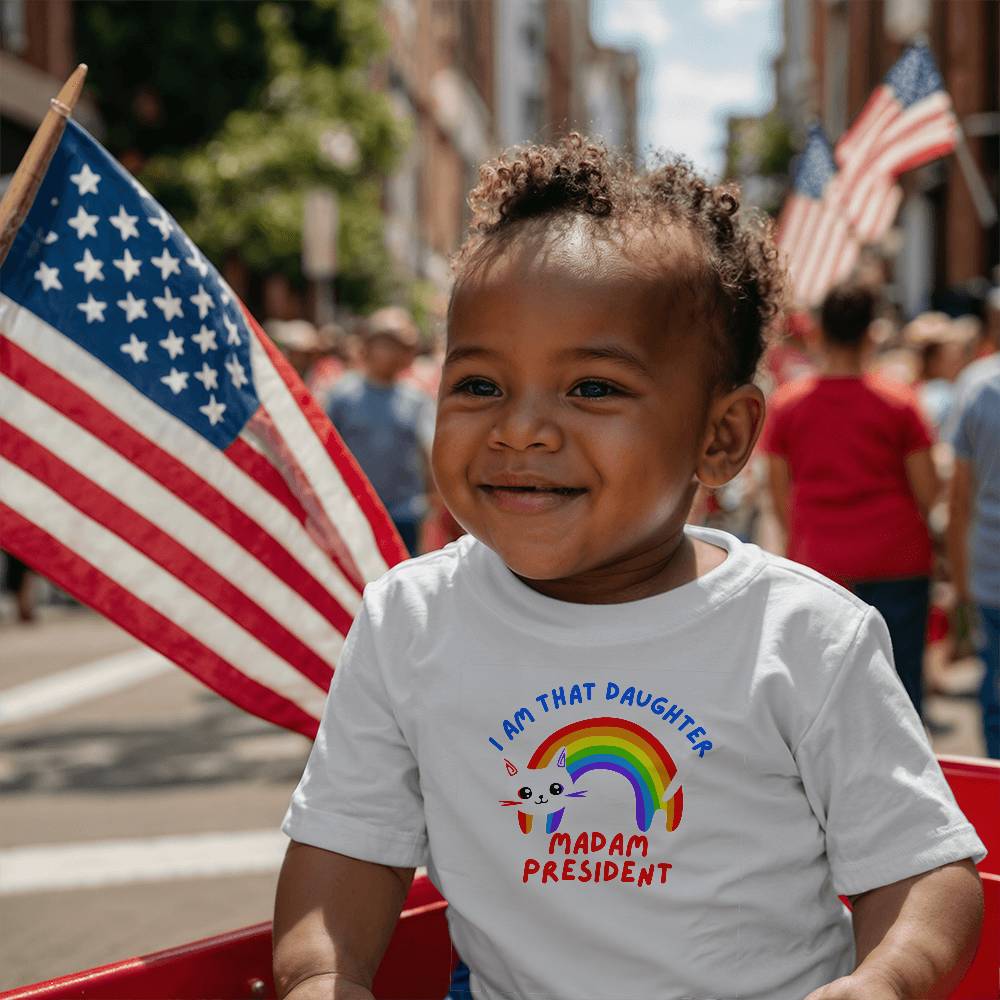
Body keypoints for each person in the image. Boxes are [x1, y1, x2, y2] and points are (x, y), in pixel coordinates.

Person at [274, 135, 984, 1000]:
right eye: (479, 386)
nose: (522, 430)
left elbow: (922, 871)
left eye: (594, 389)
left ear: (719, 438)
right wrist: (318, 975)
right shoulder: (408, 620)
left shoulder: (805, 636)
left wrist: (886, 980)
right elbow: (348, 852)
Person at [762, 282, 939, 719]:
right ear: (871, 333)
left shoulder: (788, 405)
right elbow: (929, 492)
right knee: (900, 693)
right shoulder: (900, 402)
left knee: (824, 697)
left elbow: (779, 494)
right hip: (898, 560)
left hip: (820, 564)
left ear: (819, 331)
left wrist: (800, 538)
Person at [325, 307, 435, 555]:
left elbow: (429, 452)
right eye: (390, 343)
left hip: (404, 513)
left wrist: (433, 498)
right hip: (355, 511)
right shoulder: (342, 396)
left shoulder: (416, 399)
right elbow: (325, 450)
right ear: (368, 346)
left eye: (405, 346)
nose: (400, 353)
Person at [947, 365, 1000, 758]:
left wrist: (961, 582)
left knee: (995, 687)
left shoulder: (980, 390)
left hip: (989, 568)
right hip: (988, 568)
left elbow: (959, 498)